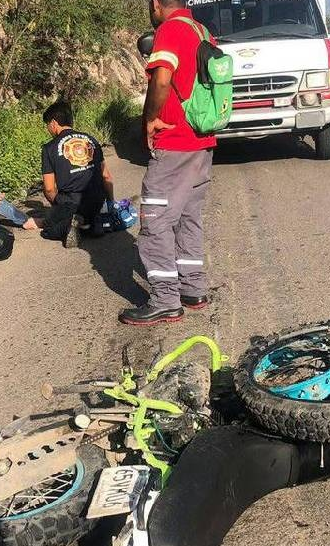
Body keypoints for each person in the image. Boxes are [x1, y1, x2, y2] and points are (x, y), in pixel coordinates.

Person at [118, 0, 215, 326]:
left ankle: (164, 300)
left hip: (175, 141)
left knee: (156, 218)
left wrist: (151, 119)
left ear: (157, 4)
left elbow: (161, 79)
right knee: (189, 216)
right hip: (202, 141)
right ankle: (192, 288)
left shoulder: (170, 30)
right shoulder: (202, 31)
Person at [40, 100, 115, 248]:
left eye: (47, 125)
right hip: (97, 200)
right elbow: (106, 176)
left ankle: (69, 223)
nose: (48, 129)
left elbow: (49, 189)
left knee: (48, 228)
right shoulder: (91, 140)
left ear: (54, 123)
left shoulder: (49, 148)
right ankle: (93, 222)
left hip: (71, 202)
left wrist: (57, 206)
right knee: (90, 212)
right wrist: (110, 203)